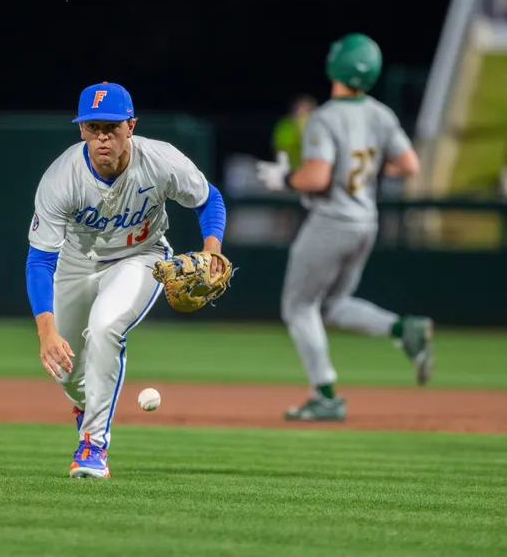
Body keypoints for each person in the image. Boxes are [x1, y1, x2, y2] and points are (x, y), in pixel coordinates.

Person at [25, 82, 226, 476]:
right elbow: (39, 260)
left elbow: (208, 199)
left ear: (130, 126)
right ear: (81, 129)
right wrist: (45, 329)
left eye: (112, 127)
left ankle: (93, 446)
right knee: (67, 371)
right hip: (75, 265)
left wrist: (213, 249)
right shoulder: (60, 178)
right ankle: (88, 408)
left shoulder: (160, 161)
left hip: (141, 258)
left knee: (105, 326)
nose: (102, 136)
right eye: (93, 127)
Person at [257, 33, 434, 421]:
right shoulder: (381, 114)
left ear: (336, 66)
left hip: (331, 221)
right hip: (365, 222)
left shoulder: (326, 116)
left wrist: (285, 179)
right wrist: (369, 172)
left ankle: (325, 395)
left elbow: (317, 177)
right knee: (333, 306)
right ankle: (404, 329)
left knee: (299, 306)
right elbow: (409, 166)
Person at [271, 94, 318, 171]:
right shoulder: (284, 126)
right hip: (290, 170)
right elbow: (281, 150)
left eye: (308, 110)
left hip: (313, 171)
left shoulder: (319, 125)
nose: (302, 114)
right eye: (299, 109)